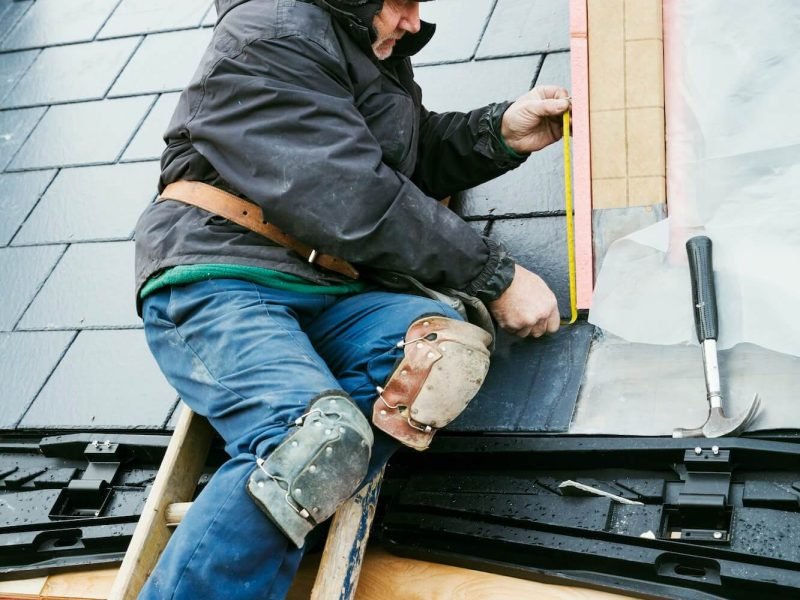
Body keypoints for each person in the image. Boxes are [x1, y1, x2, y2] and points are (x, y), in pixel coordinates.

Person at [134, 0, 569, 597]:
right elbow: (346, 190)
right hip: (225, 275)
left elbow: (403, 166)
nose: (415, 23)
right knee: (315, 441)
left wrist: (497, 131)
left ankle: (286, 473)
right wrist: (494, 275)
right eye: (401, 3)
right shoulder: (271, 27)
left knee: (439, 354)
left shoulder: (360, 50)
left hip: (332, 289)